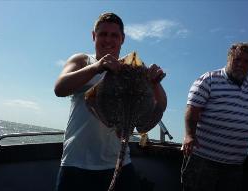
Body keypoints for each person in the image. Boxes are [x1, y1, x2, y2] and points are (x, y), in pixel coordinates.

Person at [54, 12, 167, 191]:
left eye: (114, 35)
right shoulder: (83, 61)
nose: (108, 39)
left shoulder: (134, 68)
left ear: (122, 39)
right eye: (103, 34)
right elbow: (59, 88)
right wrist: (97, 67)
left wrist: (155, 84)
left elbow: (160, 105)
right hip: (76, 162)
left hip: (120, 161)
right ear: (94, 36)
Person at [181, 42, 248, 191]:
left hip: (234, 164)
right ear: (229, 59)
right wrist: (189, 135)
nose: (241, 64)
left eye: (246, 62)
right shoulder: (209, 79)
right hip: (203, 159)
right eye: (237, 59)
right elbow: (192, 109)